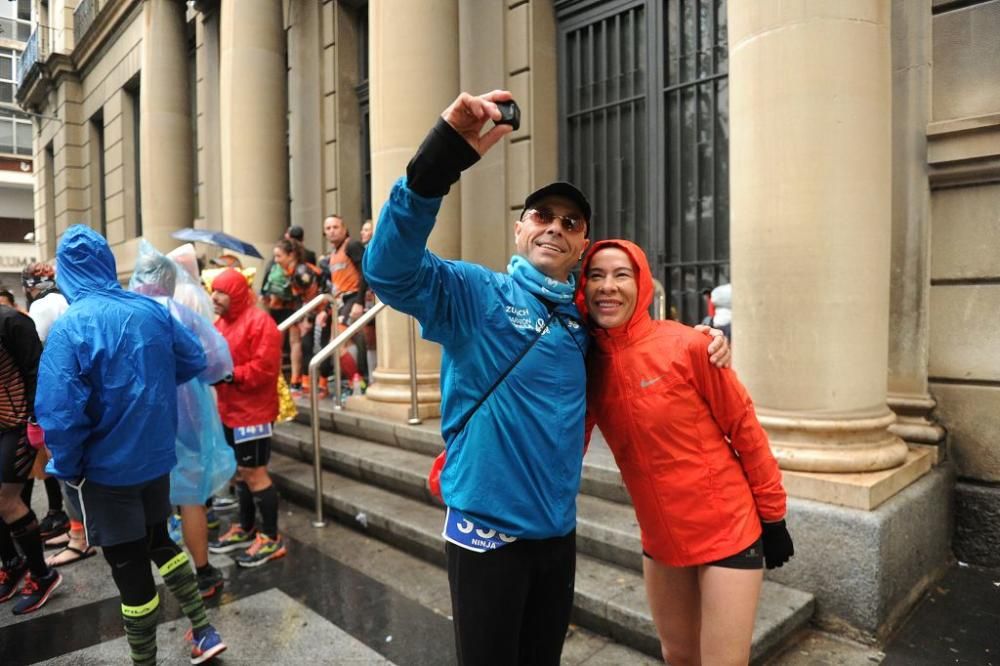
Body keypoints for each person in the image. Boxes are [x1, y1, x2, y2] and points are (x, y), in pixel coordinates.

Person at [363, 90, 730, 665]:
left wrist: (707, 341)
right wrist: (441, 157)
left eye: (570, 221)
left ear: (582, 244)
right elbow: (388, 269)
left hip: (556, 535)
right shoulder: (478, 293)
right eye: (542, 215)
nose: (555, 227)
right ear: (519, 229)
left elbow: (641, 345)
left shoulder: (583, 324)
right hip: (488, 532)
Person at [579, 240, 793, 666]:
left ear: (641, 284)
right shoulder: (584, 362)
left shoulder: (690, 345)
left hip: (727, 528)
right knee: (677, 655)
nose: (608, 286)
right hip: (661, 537)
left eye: (621, 274)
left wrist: (773, 517)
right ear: (582, 288)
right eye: (596, 275)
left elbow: (745, 430)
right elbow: (568, 443)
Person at [36, 225, 226, 664]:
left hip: (106, 471)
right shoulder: (152, 311)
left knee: (128, 567)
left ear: (66, 271)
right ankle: (203, 628)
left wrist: (66, 467)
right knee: (161, 540)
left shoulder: (70, 329)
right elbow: (194, 360)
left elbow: (60, 415)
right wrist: (154, 387)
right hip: (156, 458)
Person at [129, 243, 236, 599]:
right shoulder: (180, 313)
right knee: (191, 497)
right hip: (187, 411)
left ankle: (149, 582)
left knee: (149, 500)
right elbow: (218, 363)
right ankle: (202, 572)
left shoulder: (124, 314)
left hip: (138, 419)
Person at [207, 268, 286, 567]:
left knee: (255, 473)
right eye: (213, 290)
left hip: (254, 413)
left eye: (221, 292)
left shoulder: (260, 322)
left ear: (237, 294)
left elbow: (265, 370)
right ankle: (247, 527)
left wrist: (228, 375)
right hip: (230, 410)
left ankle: (271, 538)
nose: (214, 297)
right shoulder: (221, 325)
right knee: (240, 473)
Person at [0, 305, 62, 615]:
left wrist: (38, 421)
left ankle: (42, 574)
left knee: (7, 501)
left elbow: (38, 372)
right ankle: (12, 564)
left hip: (19, 423)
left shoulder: (11, 322)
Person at [19, 263, 78, 562]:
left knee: (62, 465)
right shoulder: (70, 299)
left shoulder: (42, 307)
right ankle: (79, 528)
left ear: (31, 285)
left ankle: (79, 534)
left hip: (55, 396)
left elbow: (36, 355)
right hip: (77, 393)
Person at [315, 214, 369, 385]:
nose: (332, 231)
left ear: (344, 229)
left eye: (335, 227)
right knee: (341, 345)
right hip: (339, 303)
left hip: (353, 298)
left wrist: (359, 301)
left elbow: (365, 272)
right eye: (328, 228)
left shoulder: (352, 245)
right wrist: (325, 310)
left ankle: (357, 383)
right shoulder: (332, 254)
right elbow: (335, 286)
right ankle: (356, 383)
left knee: (337, 344)